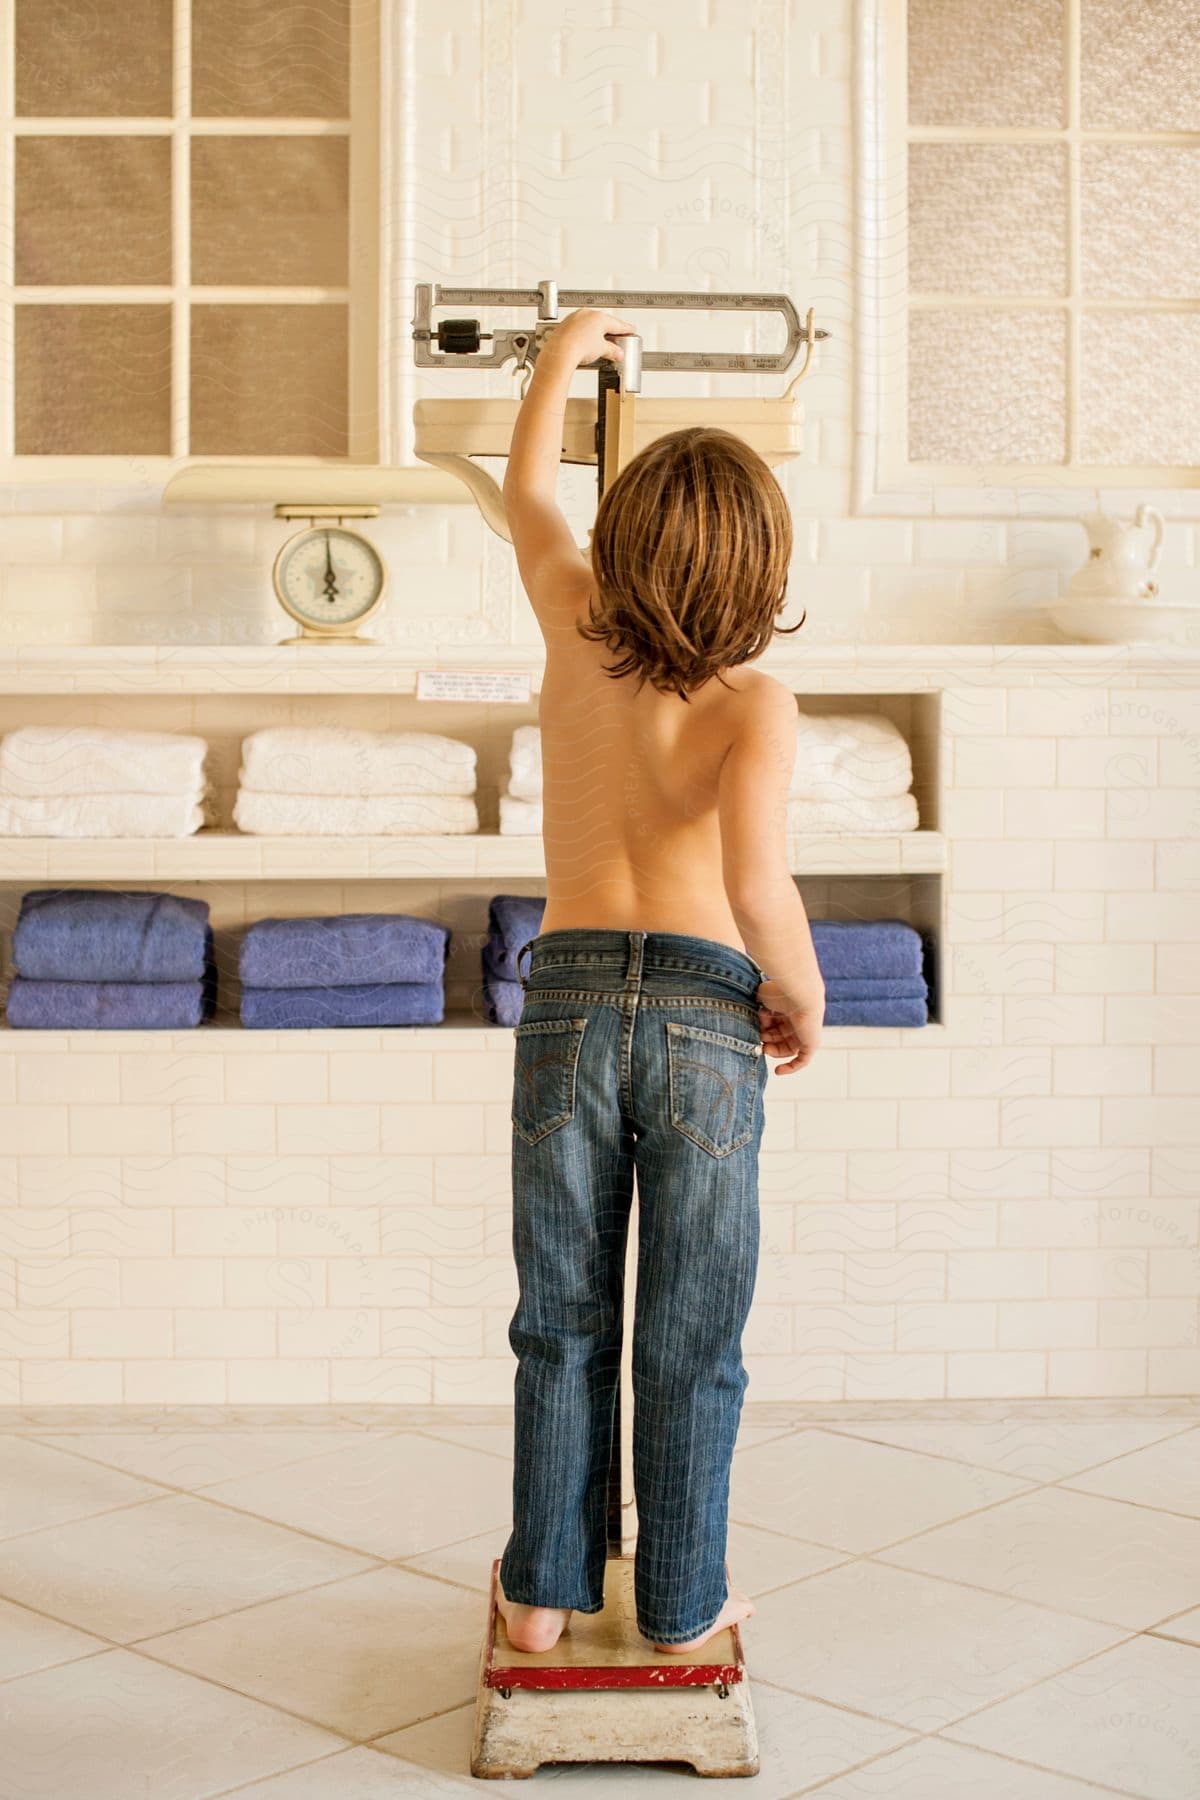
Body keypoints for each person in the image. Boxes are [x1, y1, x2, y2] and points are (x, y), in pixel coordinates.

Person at [495, 307, 825, 1657]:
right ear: (759, 569)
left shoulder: (576, 619)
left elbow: (523, 492)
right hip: (700, 1017)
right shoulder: (757, 704)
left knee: (560, 1321)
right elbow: (760, 892)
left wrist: (564, 354)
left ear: (623, 547)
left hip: (569, 999)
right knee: (692, 1335)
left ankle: (543, 1598)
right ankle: (684, 1607)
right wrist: (800, 999)